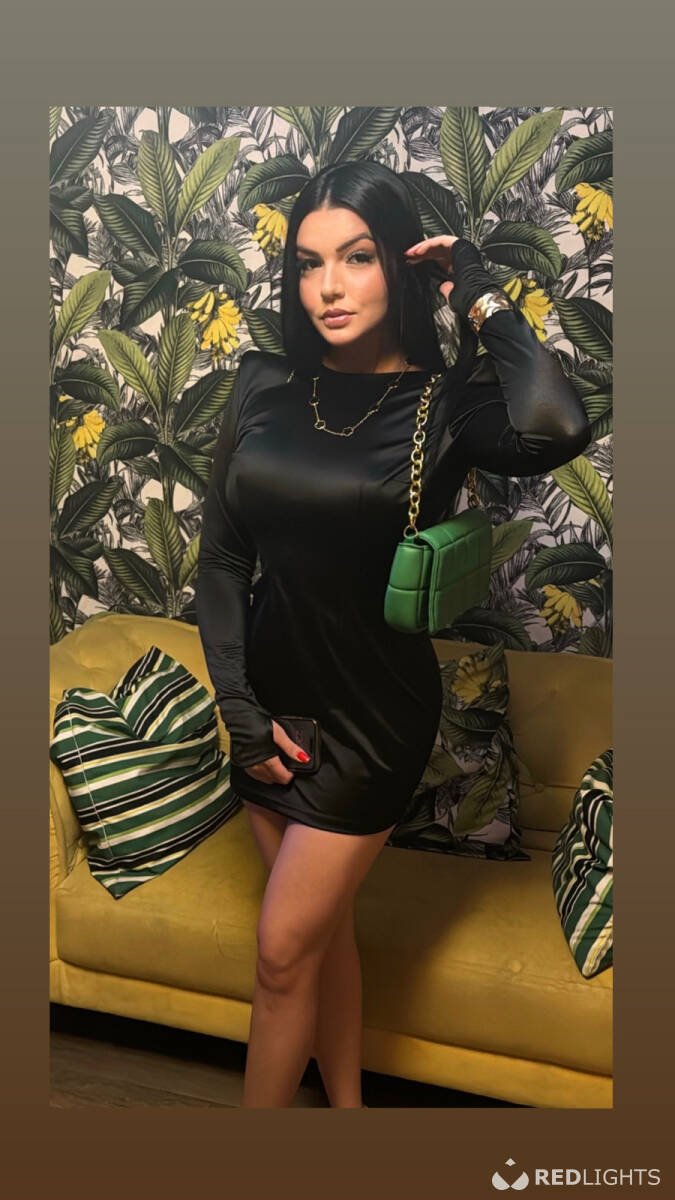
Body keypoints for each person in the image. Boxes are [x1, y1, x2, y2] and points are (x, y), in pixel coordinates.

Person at [195, 160, 592, 1108]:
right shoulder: (261, 386)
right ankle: (347, 1118)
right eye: (308, 264)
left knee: (279, 953)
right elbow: (222, 562)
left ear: (401, 266)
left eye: (358, 258)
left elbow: (557, 425)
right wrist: (238, 707)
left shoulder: (445, 404)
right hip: (268, 708)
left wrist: (477, 293)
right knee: (316, 940)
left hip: (372, 719)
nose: (328, 287)